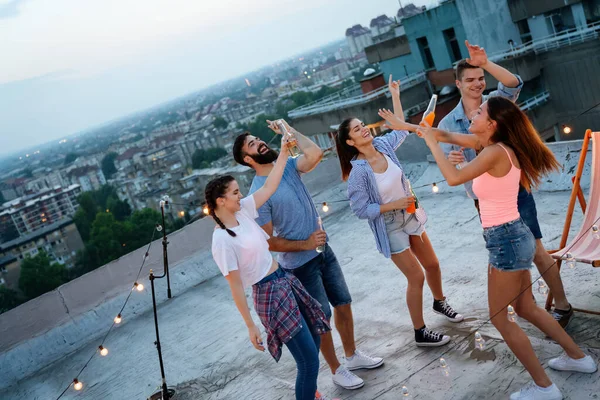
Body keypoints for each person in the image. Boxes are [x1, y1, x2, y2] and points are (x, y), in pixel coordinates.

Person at [382, 96, 597, 400]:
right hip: (513, 236)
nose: (474, 111)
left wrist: (432, 145)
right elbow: (442, 134)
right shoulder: (489, 145)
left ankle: (545, 388)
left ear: (492, 124)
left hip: (505, 240)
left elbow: (454, 178)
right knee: (526, 308)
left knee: (499, 318)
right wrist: (406, 127)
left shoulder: (495, 152)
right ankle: (579, 358)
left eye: (480, 111)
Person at [232, 122, 383, 391]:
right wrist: (304, 244)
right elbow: (267, 241)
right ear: (247, 159)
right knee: (320, 317)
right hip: (300, 264)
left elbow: (314, 154)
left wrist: (288, 129)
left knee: (343, 302)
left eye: (258, 139)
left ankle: (352, 356)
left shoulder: (287, 166)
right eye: (252, 145)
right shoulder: (258, 193)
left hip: (323, 249)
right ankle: (337, 370)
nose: (260, 144)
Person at [438, 41, 573, 328]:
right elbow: (455, 167)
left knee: (535, 249)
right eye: (471, 80)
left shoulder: (495, 105)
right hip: (484, 199)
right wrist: (453, 159)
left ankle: (562, 305)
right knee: (512, 255)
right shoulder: (450, 122)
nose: (478, 84)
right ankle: (531, 308)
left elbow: (513, 83)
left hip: (514, 191)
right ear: (458, 83)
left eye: (481, 79)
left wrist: (485, 62)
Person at [334, 76, 464, 348]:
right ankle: (420, 332)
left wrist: (395, 94)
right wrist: (392, 205)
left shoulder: (382, 145)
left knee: (432, 264)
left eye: (363, 125)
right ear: (350, 141)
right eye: (357, 130)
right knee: (415, 277)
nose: (364, 130)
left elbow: (402, 130)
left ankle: (440, 302)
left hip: (410, 214)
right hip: (390, 225)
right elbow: (361, 210)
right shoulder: (358, 173)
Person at [207, 135, 336, 400]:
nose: (240, 195)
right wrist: (250, 326)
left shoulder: (243, 210)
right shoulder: (221, 240)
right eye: (234, 193)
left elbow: (270, 185)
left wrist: (285, 152)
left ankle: (313, 396)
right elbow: (235, 288)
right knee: (308, 362)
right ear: (220, 201)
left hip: (285, 281)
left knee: (312, 342)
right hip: (269, 294)